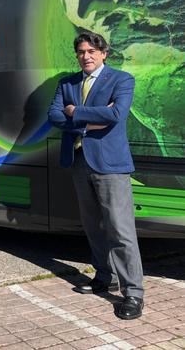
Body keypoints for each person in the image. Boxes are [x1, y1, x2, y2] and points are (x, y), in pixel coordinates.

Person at [48, 31, 144, 320]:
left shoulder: (122, 80)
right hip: (79, 161)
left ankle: (133, 294)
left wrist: (75, 111)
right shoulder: (67, 83)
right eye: (81, 52)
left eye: (91, 51)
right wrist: (91, 120)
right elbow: (54, 116)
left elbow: (117, 116)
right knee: (92, 226)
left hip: (111, 164)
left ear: (103, 53)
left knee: (120, 230)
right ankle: (105, 276)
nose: (85, 56)